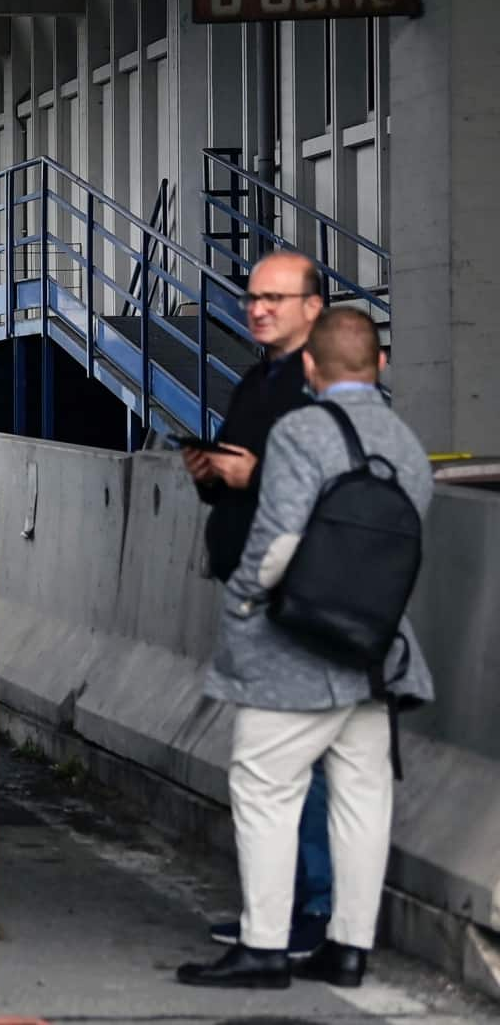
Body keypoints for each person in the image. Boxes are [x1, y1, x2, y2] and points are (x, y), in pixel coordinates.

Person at [178, 308, 433, 991]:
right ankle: (348, 947)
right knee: (362, 797)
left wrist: (243, 607)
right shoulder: (406, 443)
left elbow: (279, 541)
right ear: (379, 366)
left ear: (312, 371)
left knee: (264, 789)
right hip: (377, 649)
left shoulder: (301, 430)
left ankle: (263, 947)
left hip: (294, 650)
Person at [186, 251, 334, 958]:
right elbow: (240, 471)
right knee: (272, 764)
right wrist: (212, 474)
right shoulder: (256, 379)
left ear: (314, 306)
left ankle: (314, 909)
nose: (259, 308)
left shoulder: (325, 383)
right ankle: (276, 911)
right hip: (248, 580)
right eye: (252, 296)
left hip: (300, 586)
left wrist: (257, 473)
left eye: (277, 297)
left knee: (296, 759)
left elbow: (339, 479)